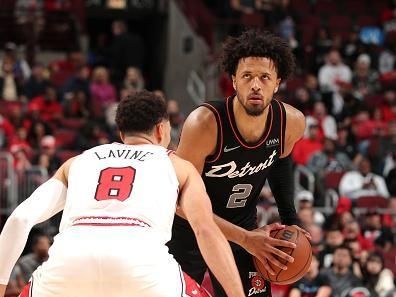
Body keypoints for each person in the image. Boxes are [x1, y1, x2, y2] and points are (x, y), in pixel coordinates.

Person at [0, 91, 245, 297]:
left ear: (121, 133)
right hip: (143, 265)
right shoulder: (177, 165)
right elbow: (205, 230)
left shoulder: (77, 162)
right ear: (161, 130)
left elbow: (19, 219)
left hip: (68, 263)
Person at [168, 29, 309, 297]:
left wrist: (290, 219)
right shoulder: (205, 124)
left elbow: (280, 162)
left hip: (243, 225)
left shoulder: (291, 122)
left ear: (277, 82)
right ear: (234, 81)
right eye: (247, 76)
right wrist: (246, 239)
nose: (256, 84)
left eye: (265, 77)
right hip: (187, 229)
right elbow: (178, 203)